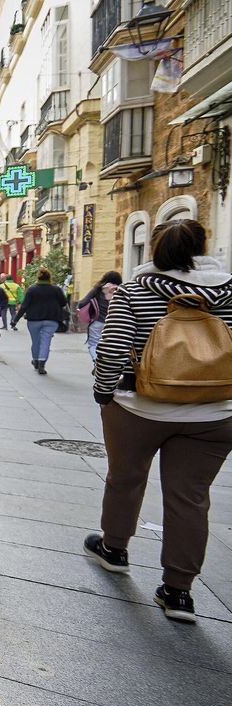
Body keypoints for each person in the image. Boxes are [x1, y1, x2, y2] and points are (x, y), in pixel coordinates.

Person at [87, 220, 232, 623]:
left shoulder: (136, 289)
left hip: (139, 406)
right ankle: (178, 590)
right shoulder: (229, 290)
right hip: (214, 412)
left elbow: (113, 347)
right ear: (203, 247)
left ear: (156, 249)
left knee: (125, 477)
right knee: (190, 497)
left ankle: (114, 549)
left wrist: (103, 392)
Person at [21, 268, 66, 374]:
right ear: (49, 277)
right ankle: (42, 363)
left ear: (38, 277)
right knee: (46, 341)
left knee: (35, 341)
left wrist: (15, 319)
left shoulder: (32, 289)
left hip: (33, 320)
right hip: (51, 320)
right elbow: (63, 302)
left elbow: (24, 306)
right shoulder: (56, 289)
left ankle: (35, 360)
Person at [78, 270, 123, 361]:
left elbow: (82, 303)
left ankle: (96, 360)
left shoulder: (98, 289)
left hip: (97, 321)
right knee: (110, 346)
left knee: (93, 344)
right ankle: (107, 364)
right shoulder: (121, 290)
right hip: (114, 324)